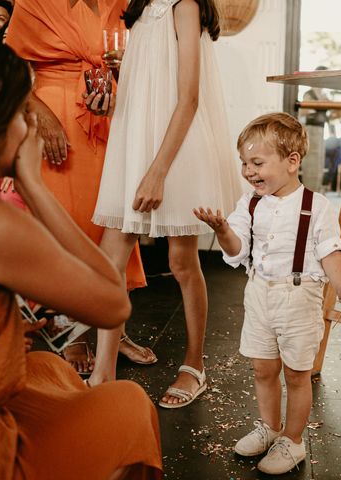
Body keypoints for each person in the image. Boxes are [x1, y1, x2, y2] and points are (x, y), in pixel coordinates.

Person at [0, 24, 162, 479]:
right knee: (127, 405)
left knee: (48, 367)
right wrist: (33, 183)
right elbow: (112, 301)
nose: (29, 125)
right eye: (21, 112)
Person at [90, 0, 244, 406]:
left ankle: (194, 367)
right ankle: (102, 372)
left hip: (174, 146)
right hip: (136, 140)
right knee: (110, 258)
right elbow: (149, 78)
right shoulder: (139, 10)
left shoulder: (185, 5)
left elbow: (189, 97)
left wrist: (158, 170)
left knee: (181, 261)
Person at [193, 112, 341, 475]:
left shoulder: (316, 206)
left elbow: (331, 251)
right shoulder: (250, 203)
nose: (249, 171)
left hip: (299, 299)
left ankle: (293, 440)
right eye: (244, 163)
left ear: (292, 161)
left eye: (257, 162)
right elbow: (236, 250)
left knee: (297, 374)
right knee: (263, 369)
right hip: (258, 295)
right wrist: (222, 228)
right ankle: (269, 428)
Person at [6, 0, 154, 375]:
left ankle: (111, 330)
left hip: (107, 120)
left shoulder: (120, 3)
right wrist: (39, 114)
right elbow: (7, 71)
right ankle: (72, 335)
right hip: (53, 117)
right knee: (68, 222)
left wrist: (116, 88)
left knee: (110, 226)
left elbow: (129, 62)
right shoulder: (33, 3)